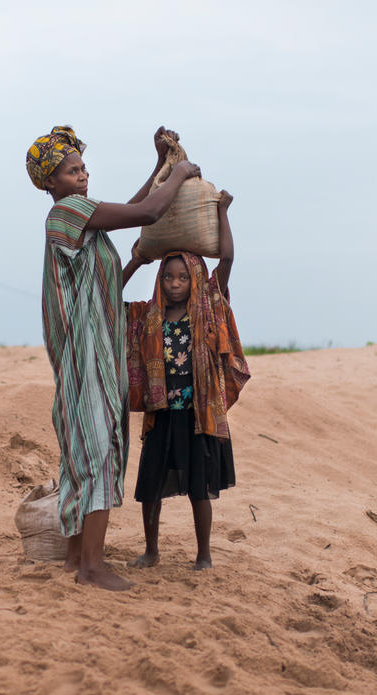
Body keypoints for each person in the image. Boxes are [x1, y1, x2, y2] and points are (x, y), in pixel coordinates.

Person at [27, 124, 200, 591]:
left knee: (85, 445)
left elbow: (108, 273)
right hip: (87, 354)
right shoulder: (68, 213)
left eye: (83, 168)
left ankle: (75, 558)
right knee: (97, 446)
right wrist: (180, 172)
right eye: (70, 171)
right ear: (51, 183)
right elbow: (145, 211)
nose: (82, 176)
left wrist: (158, 169)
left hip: (93, 349)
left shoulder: (84, 221)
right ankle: (92, 567)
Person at [121, 191, 249, 570]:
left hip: (198, 416)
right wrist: (137, 261)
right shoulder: (147, 316)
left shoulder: (208, 306)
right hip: (162, 414)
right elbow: (110, 293)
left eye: (182, 277)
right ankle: (151, 550)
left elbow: (225, 257)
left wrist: (223, 211)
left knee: (199, 490)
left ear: (195, 279)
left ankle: (204, 555)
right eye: (168, 277)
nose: (175, 283)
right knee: (149, 489)